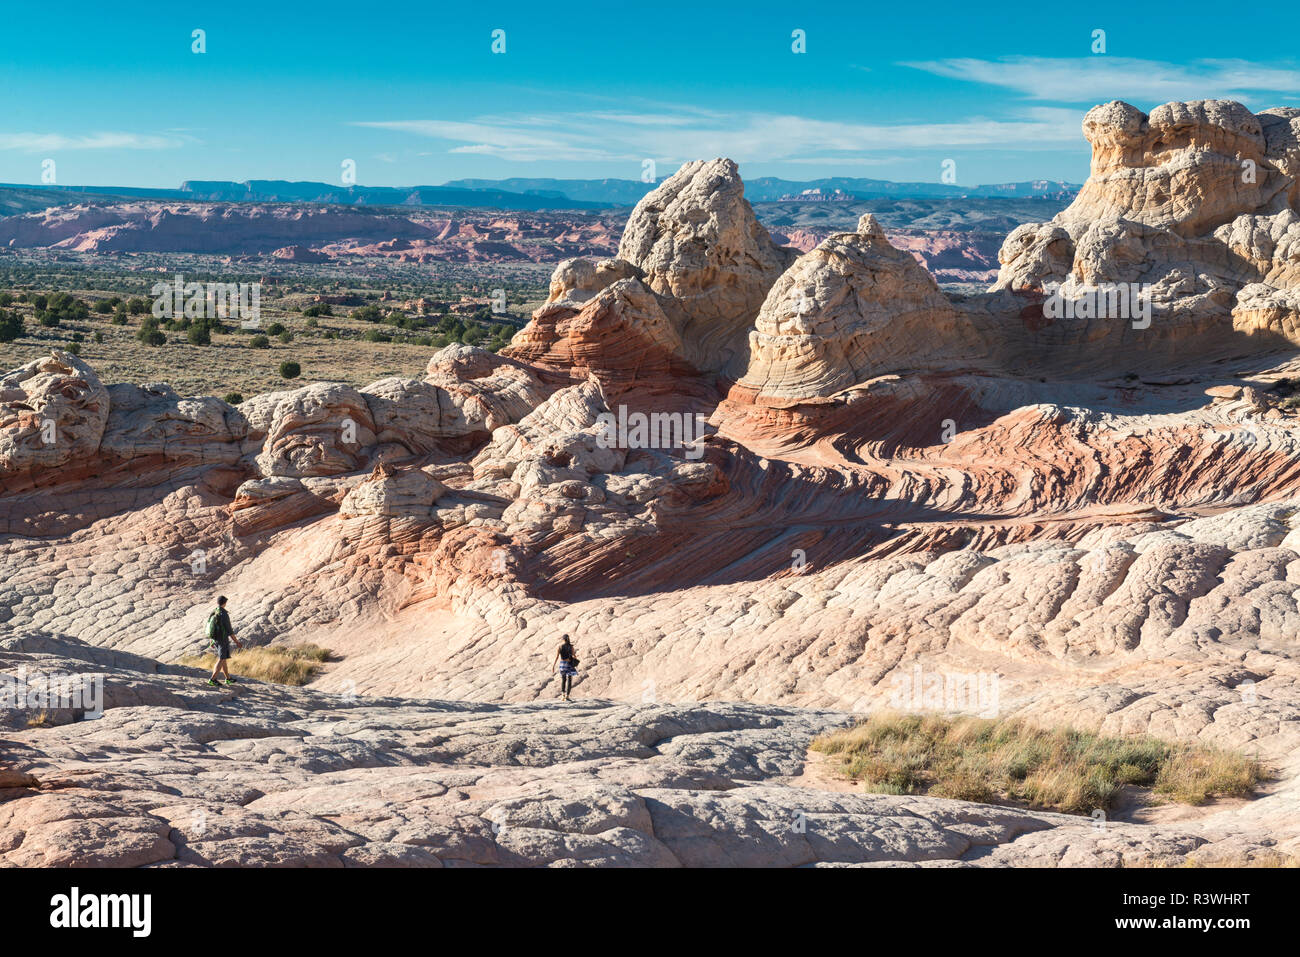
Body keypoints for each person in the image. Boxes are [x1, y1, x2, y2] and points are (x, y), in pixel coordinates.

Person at [205, 595, 243, 687]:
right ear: (224, 603)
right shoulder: (223, 614)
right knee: (221, 659)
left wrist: (211, 640)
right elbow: (229, 630)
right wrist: (237, 642)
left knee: (223, 659)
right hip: (222, 640)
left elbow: (210, 626)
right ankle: (212, 679)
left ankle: (228, 678)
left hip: (216, 639)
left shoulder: (214, 611)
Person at [552, 634, 579, 701]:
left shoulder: (560, 646)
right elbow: (574, 655)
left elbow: (557, 657)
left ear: (563, 639)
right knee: (569, 680)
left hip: (562, 664)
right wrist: (576, 661)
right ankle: (567, 696)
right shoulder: (571, 646)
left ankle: (563, 695)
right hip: (569, 664)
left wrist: (553, 666)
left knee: (563, 679)